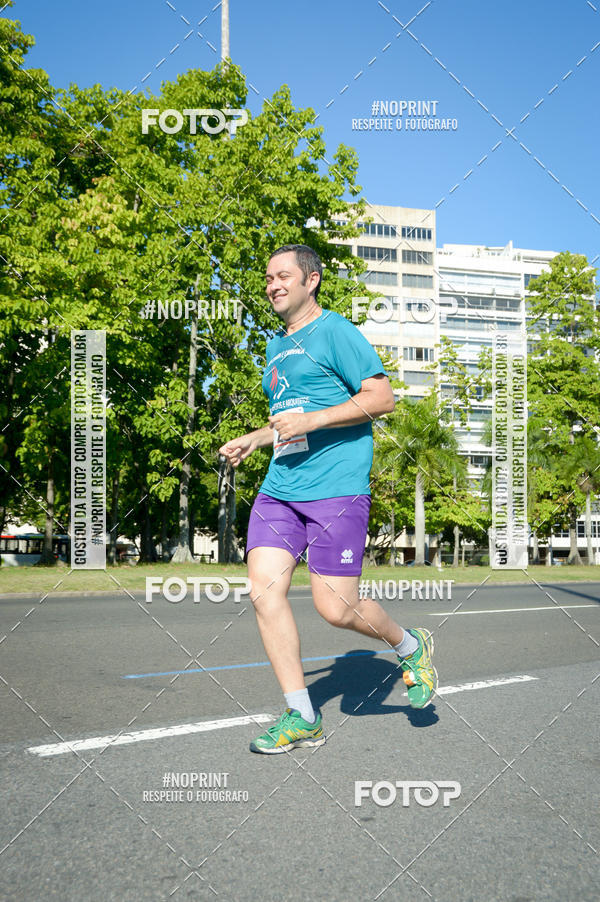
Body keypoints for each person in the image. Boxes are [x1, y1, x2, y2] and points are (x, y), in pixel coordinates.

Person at [218, 244, 437, 754]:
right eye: (268, 276)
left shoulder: (335, 330)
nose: (273, 284)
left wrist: (312, 421)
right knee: (263, 592)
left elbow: (381, 398)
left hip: (336, 489)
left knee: (336, 609)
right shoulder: (275, 347)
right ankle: (301, 715)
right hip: (280, 490)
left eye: (283, 275)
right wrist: (257, 437)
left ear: (310, 280)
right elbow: (291, 418)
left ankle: (410, 646)